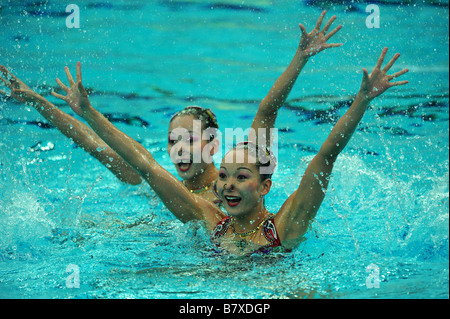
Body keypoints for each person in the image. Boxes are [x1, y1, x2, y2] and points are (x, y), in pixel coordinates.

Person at [39, 47, 408, 256]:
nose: (227, 186)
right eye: (226, 177)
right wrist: (87, 112)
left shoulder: (286, 225)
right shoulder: (210, 220)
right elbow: (145, 164)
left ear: (265, 186)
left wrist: (361, 100)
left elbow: (325, 156)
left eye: (241, 177)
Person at [0, 11, 343, 204]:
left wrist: (300, 59)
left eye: (189, 141)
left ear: (212, 146)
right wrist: (37, 100)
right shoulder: (154, 181)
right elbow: (92, 144)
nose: (179, 150)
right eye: (173, 142)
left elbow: (267, 112)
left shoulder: (241, 182)